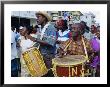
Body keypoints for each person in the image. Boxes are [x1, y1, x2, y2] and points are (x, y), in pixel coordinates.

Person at [25, 11, 57, 77]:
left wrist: (35, 39)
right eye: (36, 17)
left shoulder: (51, 28)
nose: (37, 19)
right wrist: (32, 47)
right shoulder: (41, 29)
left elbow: (51, 42)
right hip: (41, 55)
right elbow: (40, 42)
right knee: (41, 74)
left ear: (44, 18)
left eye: (39, 17)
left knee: (49, 74)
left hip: (48, 57)